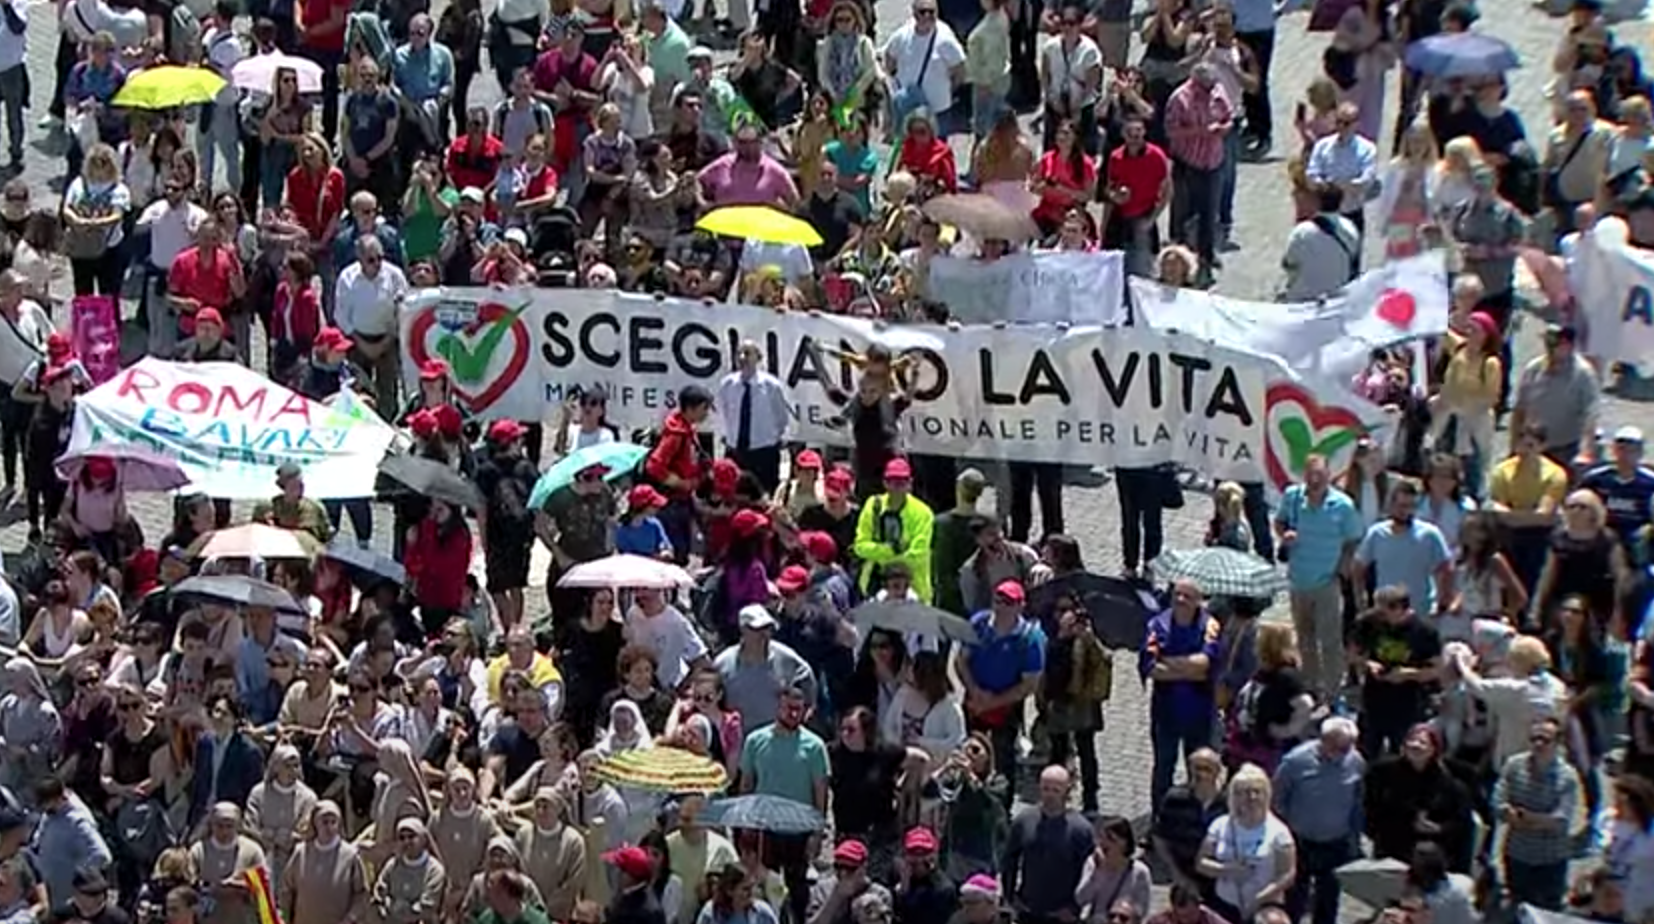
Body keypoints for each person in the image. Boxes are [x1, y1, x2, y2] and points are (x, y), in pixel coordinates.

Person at [1272, 718, 1365, 924]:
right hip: (1300, 841)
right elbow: (1278, 799)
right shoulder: (1295, 762)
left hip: (1335, 842)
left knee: (1328, 902)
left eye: (1347, 747)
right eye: (1337, 746)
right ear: (1323, 740)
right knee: (1294, 900)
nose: (1343, 752)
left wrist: (1355, 839)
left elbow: (1357, 803)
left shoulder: (1356, 762)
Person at [1140, 579, 1221, 811]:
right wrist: (1190, 669)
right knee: (1163, 768)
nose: (1180, 600)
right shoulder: (1157, 625)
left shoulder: (1210, 626)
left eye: (1187, 595)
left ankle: (1196, 815)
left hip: (1199, 713)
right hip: (1165, 713)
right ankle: (1160, 817)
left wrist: (1169, 662)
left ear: (1198, 600)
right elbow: (1151, 668)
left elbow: (1206, 664)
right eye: (1177, 594)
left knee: (1199, 769)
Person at [1493, 716, 1583, 911]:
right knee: (1518, 907)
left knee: (1547, 911)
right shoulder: (1514, 765)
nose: (1538, 744)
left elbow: (1562, 818)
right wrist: (1508, 813)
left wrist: (1528, 819)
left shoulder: (1567, 776)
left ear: (1558, 743)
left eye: (1545, 739)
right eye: (1534, 738)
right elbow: (1498, 800)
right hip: (1517, 854)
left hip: (1551, 858)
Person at [1002, 766, 1093, 924]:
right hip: (1028, 910)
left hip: (1061, 915)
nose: (1049, 795)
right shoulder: (1024, 820)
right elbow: (1009, 859)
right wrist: (1010, 896)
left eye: (1056, 790)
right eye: (1045, 789)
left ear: (1066, 791)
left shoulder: (1081, 830)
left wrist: (1074, 907)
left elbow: (1090, 872)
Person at [717, 341, 789, 494]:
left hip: (763, 453)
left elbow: (781, 417)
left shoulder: (771, 386)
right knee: (734, 493)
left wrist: (771, 438)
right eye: (739, 354)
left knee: (764, 494)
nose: (743, 357)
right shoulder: (727, 384)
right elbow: (723, 412)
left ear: (758, 357)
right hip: (735, 452)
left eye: (748, 353)